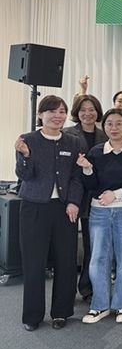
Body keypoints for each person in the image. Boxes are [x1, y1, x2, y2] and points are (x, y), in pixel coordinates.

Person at [14, 95, 84, 331]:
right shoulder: (28, 140)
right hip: (34, 207)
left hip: (64, 209)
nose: (57, 116)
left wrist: (74, 202)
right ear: (40, 115)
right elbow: (24, 175)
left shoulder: (73, 142)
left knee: (66, 260)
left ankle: (61, 312)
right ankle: (32, 316)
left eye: (62, 111)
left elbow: (77, 177)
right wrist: (25, 156)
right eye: (52, 111)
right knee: (34, 262)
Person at [77, 109, 122, 324]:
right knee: (98, 258)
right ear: (104, 126)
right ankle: (99, 306)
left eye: (119, 123)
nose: (114, 128)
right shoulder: (96, 151)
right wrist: (87, 169)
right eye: (109, 124)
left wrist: (116, 194)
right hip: (99, 210)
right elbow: (91, 185)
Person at [63, 94, 107, 302]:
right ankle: (65, 290)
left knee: (92, 246)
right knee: (67, 246)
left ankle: (87, 288)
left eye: (91, 109)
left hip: (95, 196)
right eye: (83, 110)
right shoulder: (67, 133)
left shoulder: (105, 135)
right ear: (76, 113)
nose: (87, 113)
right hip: (70, 195)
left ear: (98, 112)